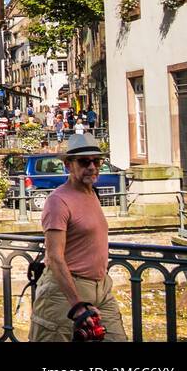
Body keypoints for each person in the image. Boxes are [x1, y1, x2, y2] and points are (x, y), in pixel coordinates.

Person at [29, 133, 127, 342]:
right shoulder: (58, 201)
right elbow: (54, 257)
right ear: (68, 165)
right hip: (64, 291)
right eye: (84, 161)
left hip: (101, 288)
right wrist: (76, 304)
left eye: (96, 161)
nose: (92, 166)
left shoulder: (93, 193)